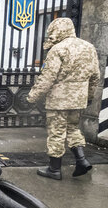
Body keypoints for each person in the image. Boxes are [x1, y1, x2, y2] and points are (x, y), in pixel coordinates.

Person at [27, 18, 100, 180]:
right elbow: (95, 76)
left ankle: (54, 170)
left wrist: (33, 96)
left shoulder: (58, 49)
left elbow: (48, 77)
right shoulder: (89, 47)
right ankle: (81, 160)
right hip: (78, 99)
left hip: (59, 100)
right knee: (73, 128)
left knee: (56, 132)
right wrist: (89, 96)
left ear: (57, 30)